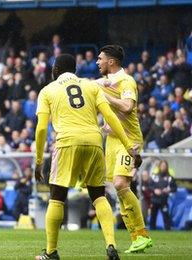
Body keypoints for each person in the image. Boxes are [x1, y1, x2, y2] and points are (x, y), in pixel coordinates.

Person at [33, 53, 139, 260]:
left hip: (66, 143)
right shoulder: (91, 86)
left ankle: (51, 252)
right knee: (99, 196)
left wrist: (38, 161)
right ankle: (111, 245)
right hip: (93, 142)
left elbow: (40, 130)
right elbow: (110, 117)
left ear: (56, 69)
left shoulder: (47, 90)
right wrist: (129, 147)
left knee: (57, 197)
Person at [96, 44, 152, 253]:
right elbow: (90, 86)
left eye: (100, 59)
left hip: (128, 140)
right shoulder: (105, 82)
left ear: (111, 61)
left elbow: (128, 107)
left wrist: (103, 96)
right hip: (112, 140)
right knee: (119, 189)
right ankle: (136, 237)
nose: (97, 62)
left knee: (121, 184)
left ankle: (142, 234)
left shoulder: (127, 81)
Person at [149, 160, 177, 230]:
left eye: (164, 166)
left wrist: (168, 190)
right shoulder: (154, 176)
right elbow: (150, 186)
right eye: (162, 166)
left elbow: (174, 188)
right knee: (153, 216)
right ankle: (152, 230)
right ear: (159, 167)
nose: (163, 167)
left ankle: (168, 230)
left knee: (166, 216)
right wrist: (154, 190)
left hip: (164, 200)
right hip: (154, 200)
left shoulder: (170, 178)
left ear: (167, 167)